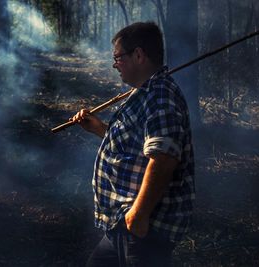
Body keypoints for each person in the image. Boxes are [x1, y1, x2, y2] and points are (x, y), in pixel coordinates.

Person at [70, 22, 195, 266]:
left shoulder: (160, 96)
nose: (114, 64)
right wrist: (99, 129)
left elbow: (164, 159)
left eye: (118, 57)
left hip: (145, 228)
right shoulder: (145, 92)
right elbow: (138, 146)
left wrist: (139, 215)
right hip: (124, 223)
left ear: (138, 55)